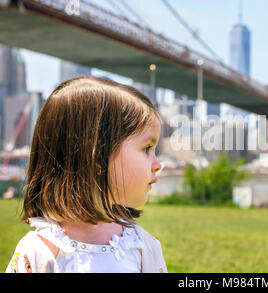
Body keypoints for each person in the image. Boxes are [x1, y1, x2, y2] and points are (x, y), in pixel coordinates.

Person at [5, 76, 167, 273]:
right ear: (98, 156)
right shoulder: (39, 251)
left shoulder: (143, 249)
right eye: (147, 148)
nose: (158, 164)